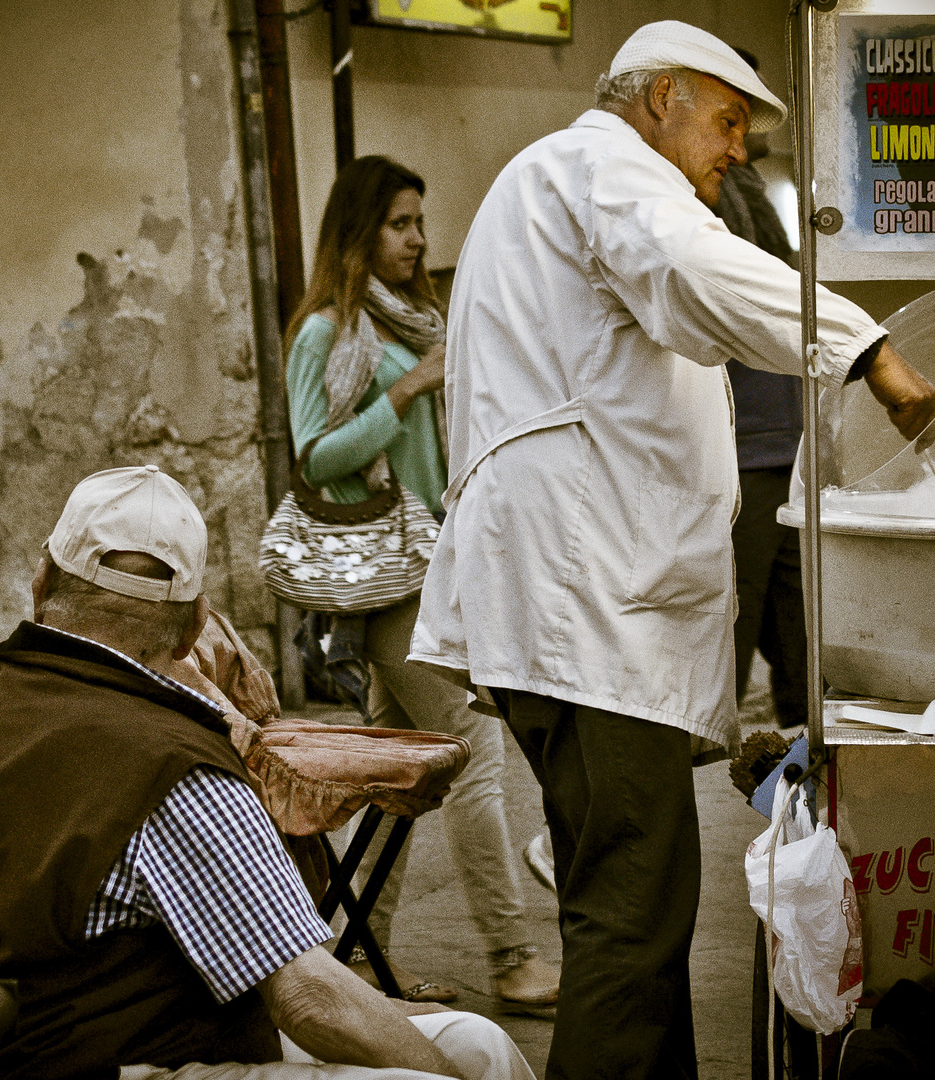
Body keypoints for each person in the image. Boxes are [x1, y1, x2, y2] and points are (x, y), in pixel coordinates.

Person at [408, 21, 935, 1080]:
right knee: (630, 917)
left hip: (572, 607)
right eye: (726, 119)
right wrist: (864, 350)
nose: (736, 150)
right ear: (657, 100)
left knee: (639, 905)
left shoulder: (556, 182)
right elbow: (703, 270)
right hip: (583, 606)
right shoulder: (604, 169)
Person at [0, 465, 535, 1079]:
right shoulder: (176, 769)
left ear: (41, 583)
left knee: (477, 1043)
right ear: (194, 629)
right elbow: (310, 1001)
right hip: (123, 1064)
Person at [282, 155, 558, 1010]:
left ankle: (350, 960)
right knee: (471, 752)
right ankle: (513, 956)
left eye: (420, 224)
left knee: (393, 781)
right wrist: (404, 391)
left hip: (446, 562)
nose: (417, 240)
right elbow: (314, 456)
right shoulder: (327, 333)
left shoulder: (422, 322)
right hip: (392, 578)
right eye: (400, 224)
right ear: (361, 233)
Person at [714, 47, 809, 722]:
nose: (741, 146)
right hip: (761, 443)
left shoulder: (733, 189)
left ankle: (790, 798)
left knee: (767, 639)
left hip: (761, 443)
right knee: (794, 648)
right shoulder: (717, 193)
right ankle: (796, 795)